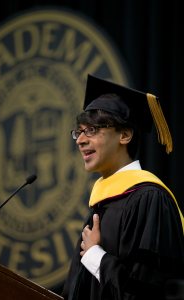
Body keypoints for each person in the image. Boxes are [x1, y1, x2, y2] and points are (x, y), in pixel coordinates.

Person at [62, 74, 184, 300]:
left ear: (125, 135)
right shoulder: (101, 203)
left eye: (92, 130)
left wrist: (94, 255)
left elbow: (149, 291)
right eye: (79, 131)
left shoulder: (150, 199)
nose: (80, 140)